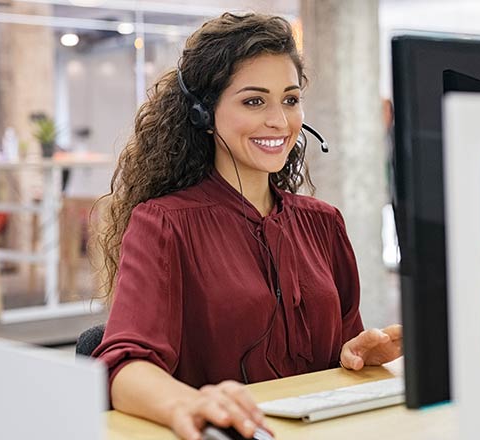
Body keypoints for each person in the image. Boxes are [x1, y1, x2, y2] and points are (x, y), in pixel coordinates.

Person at [92, 12, 403, 440]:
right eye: (254, 101)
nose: (279, 120)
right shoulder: (164, 224)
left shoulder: (323, 223)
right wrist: (190, 402)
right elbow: (122, 368)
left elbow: (339, 354)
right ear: (204, 113)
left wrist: (357, 353)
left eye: (290, 100)